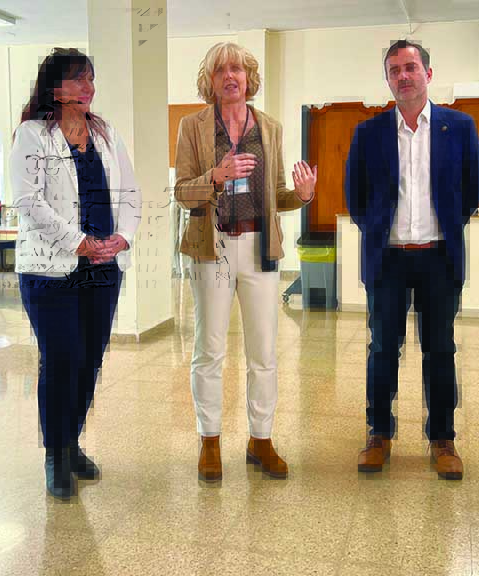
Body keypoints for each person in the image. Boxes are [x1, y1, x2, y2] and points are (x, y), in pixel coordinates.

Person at [174, 42, 317, 482]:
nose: (230, 76)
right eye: (220, 70)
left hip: (259, 247)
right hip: (212, 245)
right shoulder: (192, 126)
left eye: (237, 68)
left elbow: (276, 195)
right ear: (210, 80)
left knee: (264, 350)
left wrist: (303, 196)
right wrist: (215, 177)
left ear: (249, 77)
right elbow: (182, 192)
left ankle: (261, 440)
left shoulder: (269, 127)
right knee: (210, 349)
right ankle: (210, 440)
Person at [346, 39, 479, 480]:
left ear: (428, 73)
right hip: (387, 260)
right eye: (394, 70)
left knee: (440, 349)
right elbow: (355, 195)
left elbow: (472, 189)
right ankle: (379, 434)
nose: (402, 76)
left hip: (438, 258)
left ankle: (442, 438)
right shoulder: (369, 132)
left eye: (410, 67)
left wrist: (442, 229)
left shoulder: (458, 127)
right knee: (383, 348)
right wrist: (378, 229)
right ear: (387, 79)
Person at [10, 48, 140, 500]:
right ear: (54, 87)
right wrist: (78, 242)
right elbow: (28, 201)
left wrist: (122, 238)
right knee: (61, 357)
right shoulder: (32, 134)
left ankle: (71, 442)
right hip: (50, 270)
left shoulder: (105, 133)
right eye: (78, 79)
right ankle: (55, 454)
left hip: (103, 267)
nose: (88, 87)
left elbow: (130, 191)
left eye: (90, 78)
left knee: (89, 359)